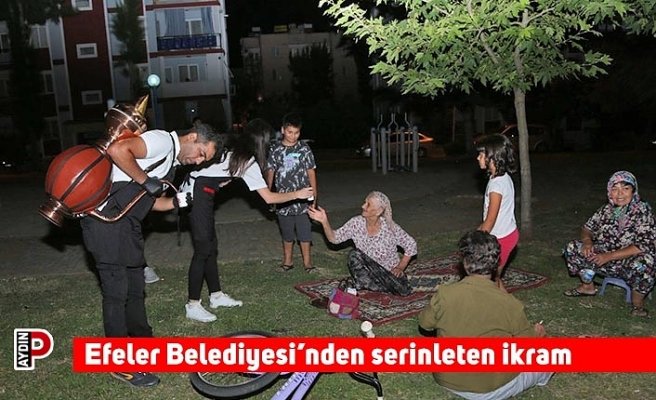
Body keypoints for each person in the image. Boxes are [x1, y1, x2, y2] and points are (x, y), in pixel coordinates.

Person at [80, 121, 221, 387]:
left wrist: (175, 202)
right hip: (105, 222)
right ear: (192, 137)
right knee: (116, 293)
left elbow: (148, 199)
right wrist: (146, 181)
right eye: (201, 153)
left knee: (135, 289)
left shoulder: (171, 162)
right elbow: (118, 150)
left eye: (204, 160)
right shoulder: (162, 141)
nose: (198, 161)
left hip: (127, 224)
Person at [179, 119, 314, 323]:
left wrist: (222, 179)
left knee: (210, 247)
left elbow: (214, 170)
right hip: (196, 195)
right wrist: (298, 194)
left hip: (199, 190)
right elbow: (269, 198)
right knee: (203, 250)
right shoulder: (248, 161)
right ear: (262, 142)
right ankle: (193, 305)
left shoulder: (233, 145)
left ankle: (216, 296)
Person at [419, 230, 552, 400]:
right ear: (496, 264)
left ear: (465, 263)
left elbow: (425, 323)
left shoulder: (445, 293)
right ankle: (542, 376)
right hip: (489, 389)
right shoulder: (508, 303)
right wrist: (538, 334)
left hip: (446, 379)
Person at [563, 170, 656, 317]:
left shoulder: (643, 211)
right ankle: (587, 287)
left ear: (633, 191)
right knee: (572, 247)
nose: (620, 194)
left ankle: (638, 305)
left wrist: (609, 256)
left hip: (628, 260)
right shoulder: (607, 209)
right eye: (615, 189)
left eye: (625, 188)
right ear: (609, 191)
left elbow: (644, 245)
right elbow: (587, 228)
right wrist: (587, 242)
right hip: (604, 257)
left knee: (646, 262)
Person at [308, 191, 416, 296]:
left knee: (404, 290)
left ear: (378, 211)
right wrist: (324, 222)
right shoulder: (356, 223)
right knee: (354, 255)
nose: (363, 206)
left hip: (386, 273)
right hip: (368, 272)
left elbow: (411, 244)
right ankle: (373, 285)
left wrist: (400, 267)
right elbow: (334, 239)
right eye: (365, 202)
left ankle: (368, 285)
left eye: (368, 204)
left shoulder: (389, 228)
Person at [265, 112, 318, 272]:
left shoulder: (304, 149)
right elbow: (271, 172)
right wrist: (268, 193)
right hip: (283, 200)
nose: (293, 136)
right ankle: (288, 262)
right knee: (287, 233)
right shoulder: (275, 149)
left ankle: (308, 263)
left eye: (296, 132)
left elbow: (311, 173)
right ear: (283, 130)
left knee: (304, 233)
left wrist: (314, 197)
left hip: (303, 200)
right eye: (290, 132)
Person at [475, 133, 518, 291]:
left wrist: (475, 241)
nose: (478, 158)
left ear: (492, 158)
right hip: (507, 234)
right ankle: (505, 303)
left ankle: (501, 304)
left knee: (490, 279)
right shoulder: (502, 178)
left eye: (481, 154)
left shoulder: (496, 186)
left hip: (501, 238)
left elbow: (490, 221)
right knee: (495, 278)